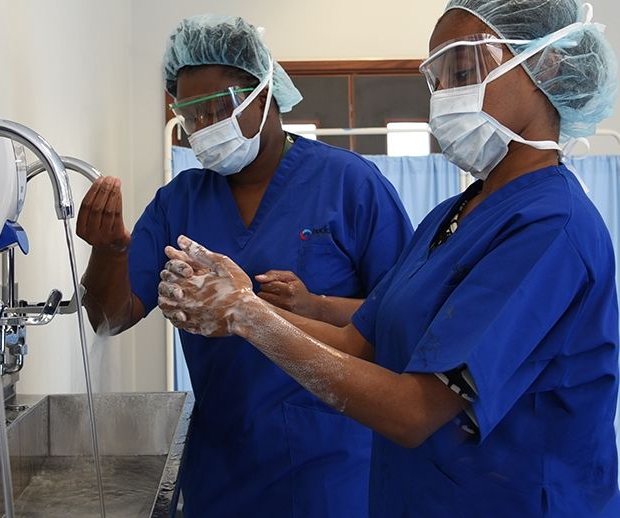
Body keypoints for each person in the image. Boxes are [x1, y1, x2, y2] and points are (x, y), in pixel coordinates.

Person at [157, 1, 620, 516]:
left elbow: (414, 411)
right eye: (437, 80)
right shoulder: (453, 215)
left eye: (463, 73)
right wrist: (243, 302)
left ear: (546, 66)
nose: (444, 96)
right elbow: (360, 341)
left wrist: (248, 315)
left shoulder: (551, 226)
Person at [75, 14, 413, 516]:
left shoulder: (352, 186)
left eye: (220, 107)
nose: (206, 127)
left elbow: (404, 325)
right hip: (225, 469)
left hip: (335, 468)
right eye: (192, 116)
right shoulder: (180, 201)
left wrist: (314, 307)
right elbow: (110, 317)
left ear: (266, 93)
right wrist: (109, 250)